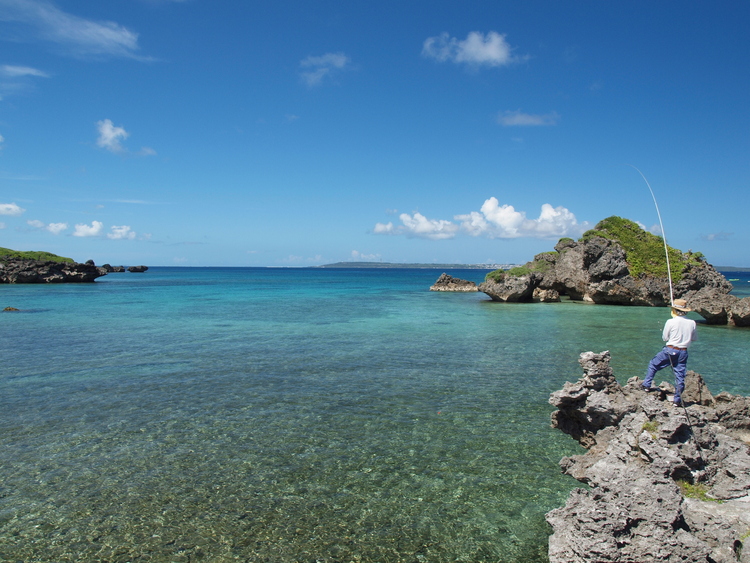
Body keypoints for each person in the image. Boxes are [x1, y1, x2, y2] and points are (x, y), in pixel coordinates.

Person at [642, 298, 697, 406]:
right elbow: (694, 338)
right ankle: (677, 400)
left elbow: (665, 338)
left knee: (653, 364)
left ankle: (646, 385)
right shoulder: (692, 323)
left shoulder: (671, 321)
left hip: (671, 350)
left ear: (674, 310)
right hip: (683, 352)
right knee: (679, 376)